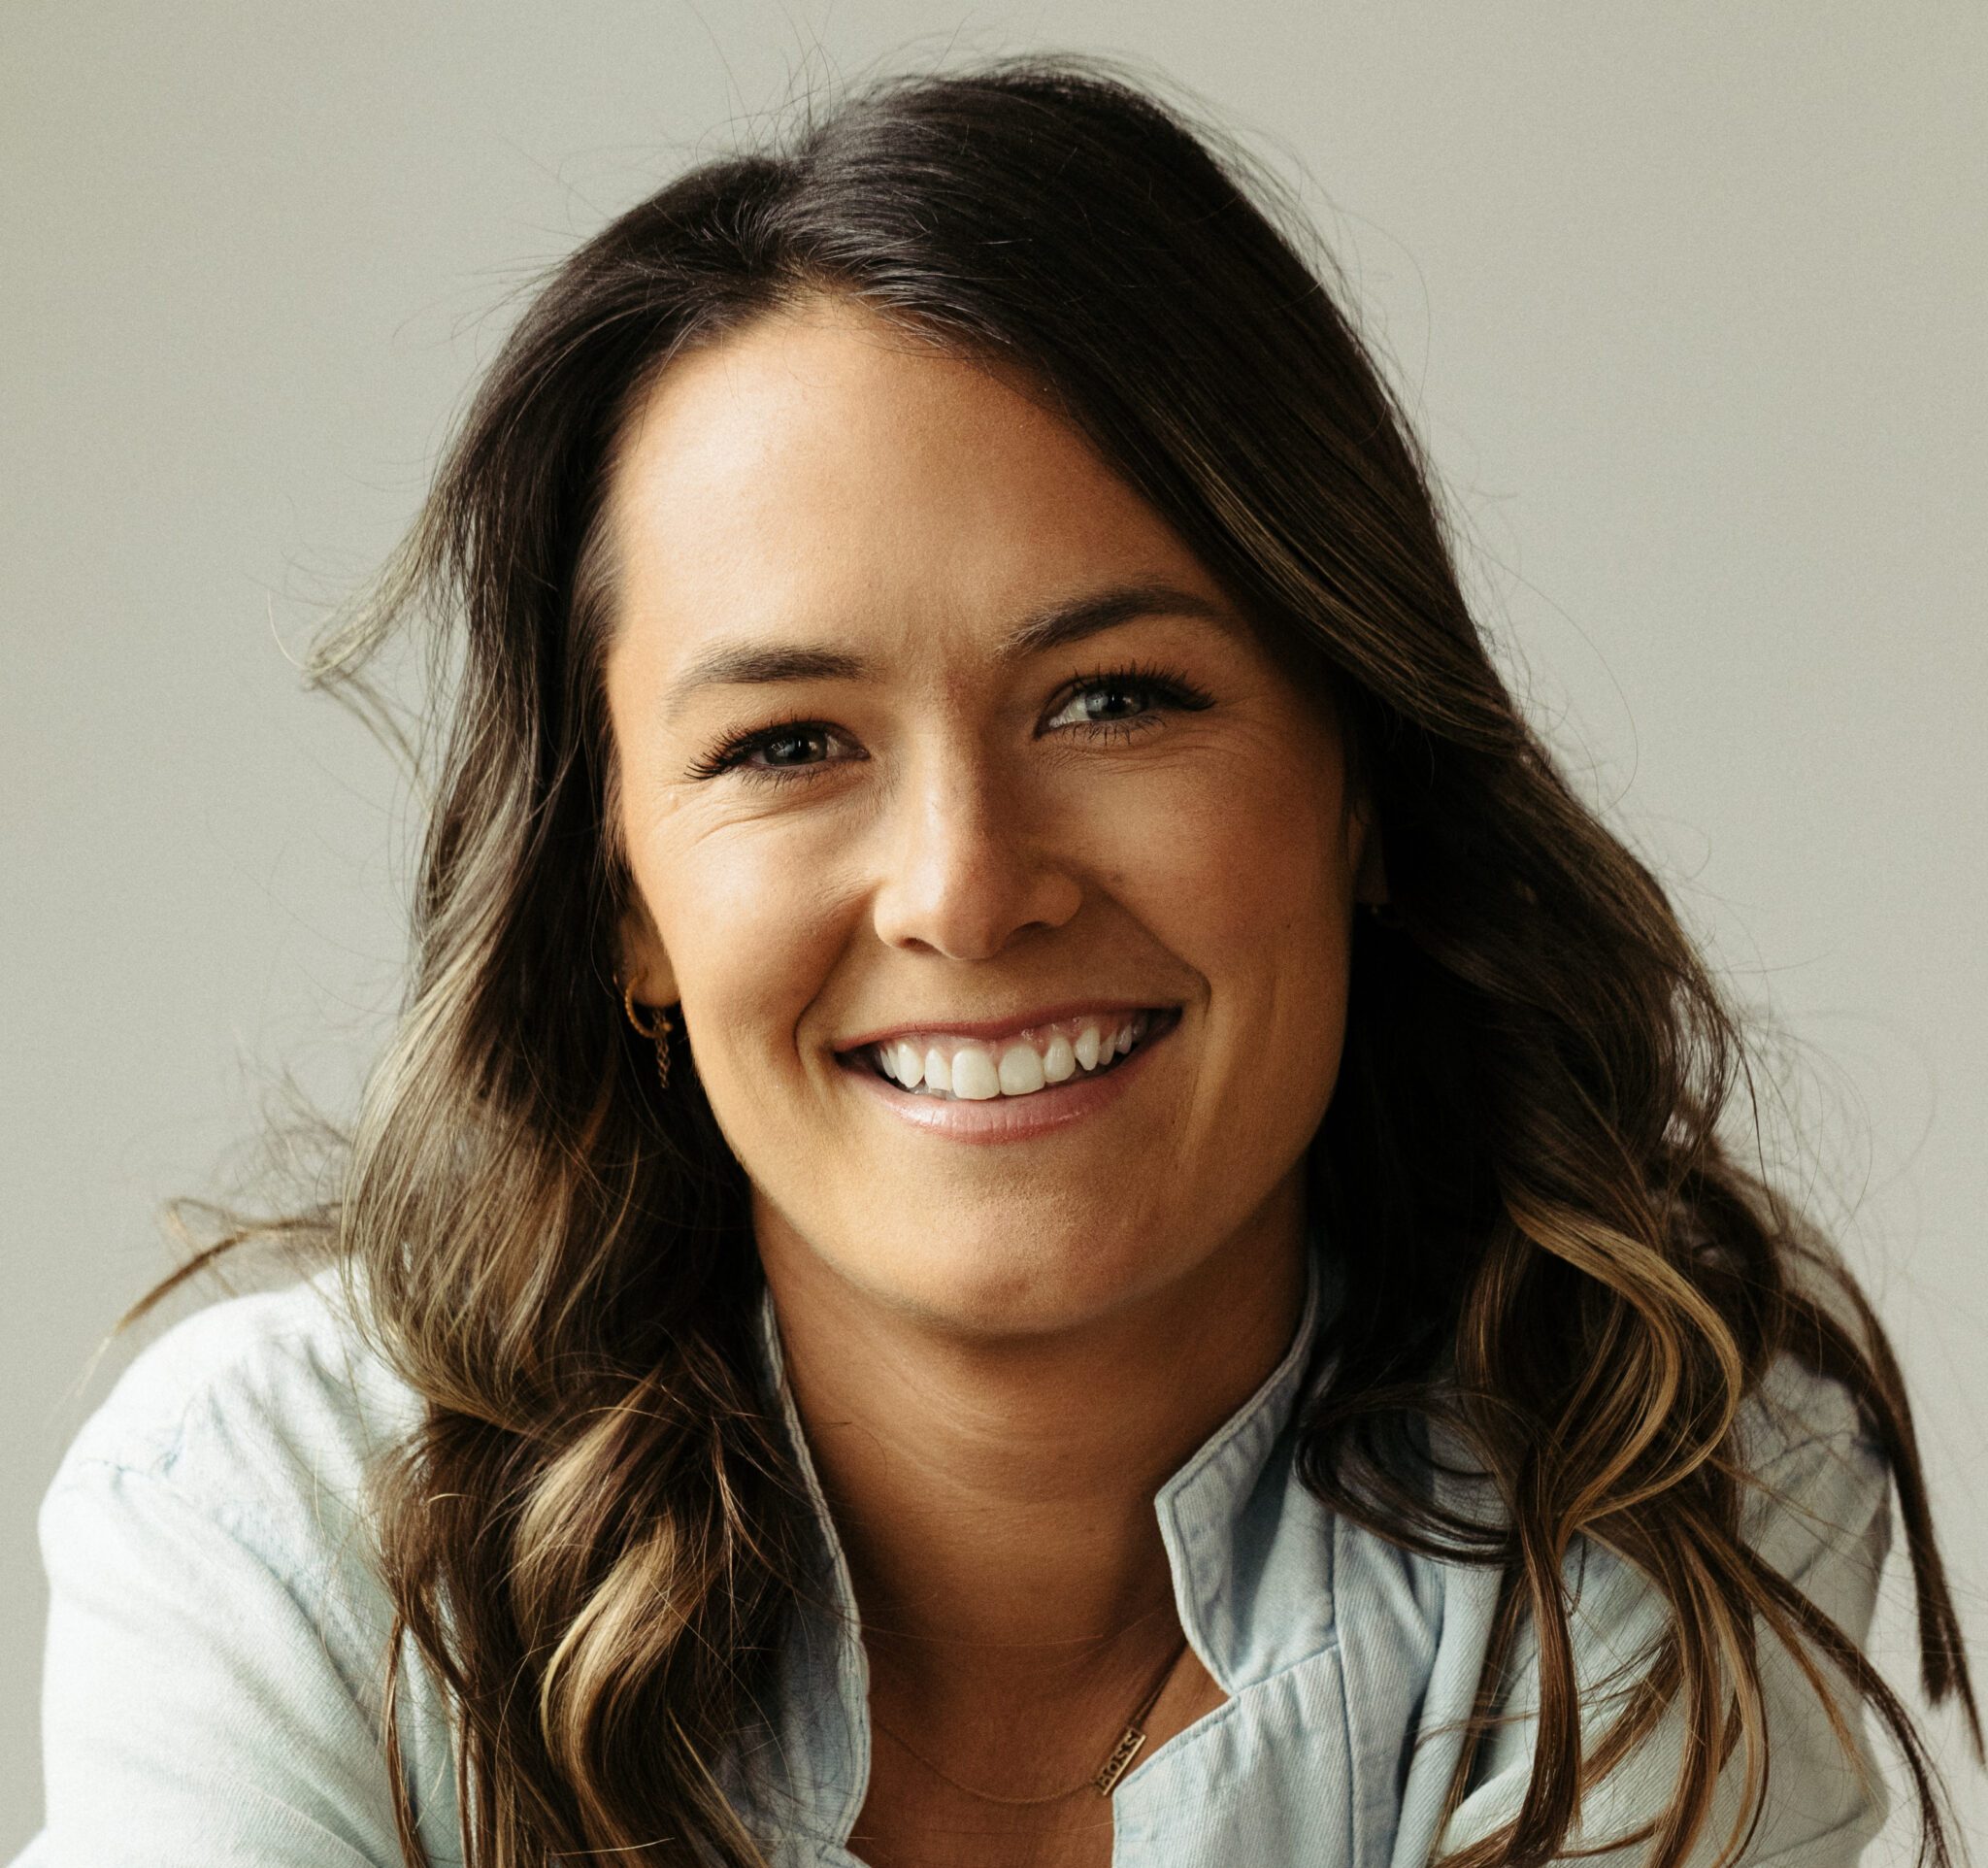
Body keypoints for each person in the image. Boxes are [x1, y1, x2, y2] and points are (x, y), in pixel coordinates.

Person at [13, 55, 1977, 1868]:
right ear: (619, 901)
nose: (964, 888)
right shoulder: (272, 1534)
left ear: (1360, 778)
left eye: (1114, 698)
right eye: (786, 743)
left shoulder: (1652, 1469)